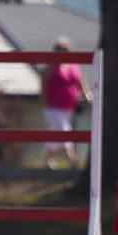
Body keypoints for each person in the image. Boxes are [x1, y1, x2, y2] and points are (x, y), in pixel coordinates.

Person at [41, 36, 92, 169]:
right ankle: (71, 158)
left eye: (64, 49)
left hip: (68, 106)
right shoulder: (51, 66)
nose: (61, 52)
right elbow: (43, 83)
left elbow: (80, 82)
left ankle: (47, 159)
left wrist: (86, 95)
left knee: (57, 132)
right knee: (64, 130)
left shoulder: (73, 66)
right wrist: (45, 100)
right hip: (53, 106)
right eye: (59, 49)